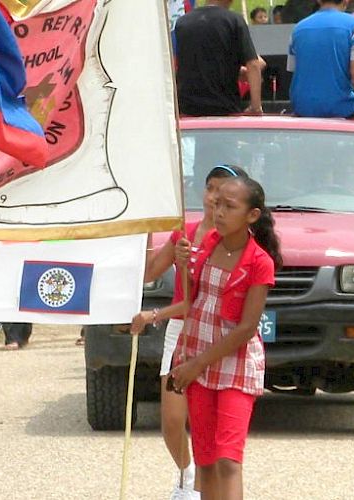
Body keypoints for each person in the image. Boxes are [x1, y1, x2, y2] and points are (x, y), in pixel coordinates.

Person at [130, 176, 281, 500]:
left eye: (230, 206)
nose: (220, 212)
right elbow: (190, 303)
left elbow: (245, 328)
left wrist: (195, 364)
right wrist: (154, 313)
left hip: (234, 365)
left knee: (228, 460)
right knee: (207, 460)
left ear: (252, 215)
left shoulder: (259, 263)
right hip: (195, 358)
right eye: (216, 204)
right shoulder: (205, 246)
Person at [142, 165, 243, 500]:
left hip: (213, 335)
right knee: (172, 420)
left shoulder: (234, 244)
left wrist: (154, 313)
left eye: (224, 192)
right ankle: (186, 475)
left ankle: (198, 489)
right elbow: (148, 274)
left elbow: (200, 302)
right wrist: (145, 229)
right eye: (210, 188)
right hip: (180, 333)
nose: (215, 197)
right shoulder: (183, 233)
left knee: (206, 426)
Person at [289, 0, 354, 121]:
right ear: (346, 1)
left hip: (302, 109)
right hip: (342, 108)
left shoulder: (298, 29)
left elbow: (294, 70)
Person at [176, 0, 265, 117]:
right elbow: (253, 64)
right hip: (225, 108)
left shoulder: (182, 23)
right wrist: (255, 106)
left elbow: (180, 64)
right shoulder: (234, 20)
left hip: (188, 109)